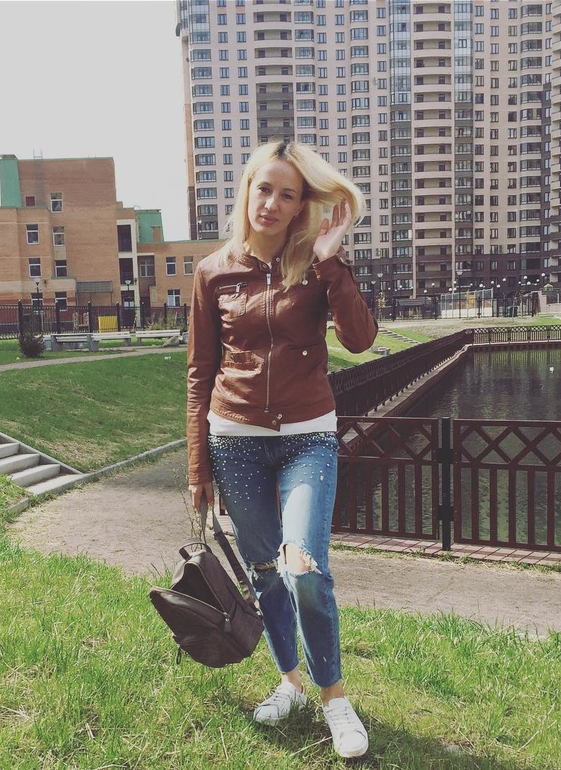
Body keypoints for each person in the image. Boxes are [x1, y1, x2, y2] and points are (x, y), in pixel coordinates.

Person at [186, 140, 378, 760]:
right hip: (234, 441)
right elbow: (200, 371)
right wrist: (198, 465)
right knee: (267, 573)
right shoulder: (213, 271)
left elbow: (360, 339)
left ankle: (334, 699)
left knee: (305, 571)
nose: (271, 203)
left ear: (301, 207)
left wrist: (331, 260)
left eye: (287, 195)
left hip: (307, 437)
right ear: (247, 190)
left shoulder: (317, 267)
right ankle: (290, 682)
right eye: (263, 188)